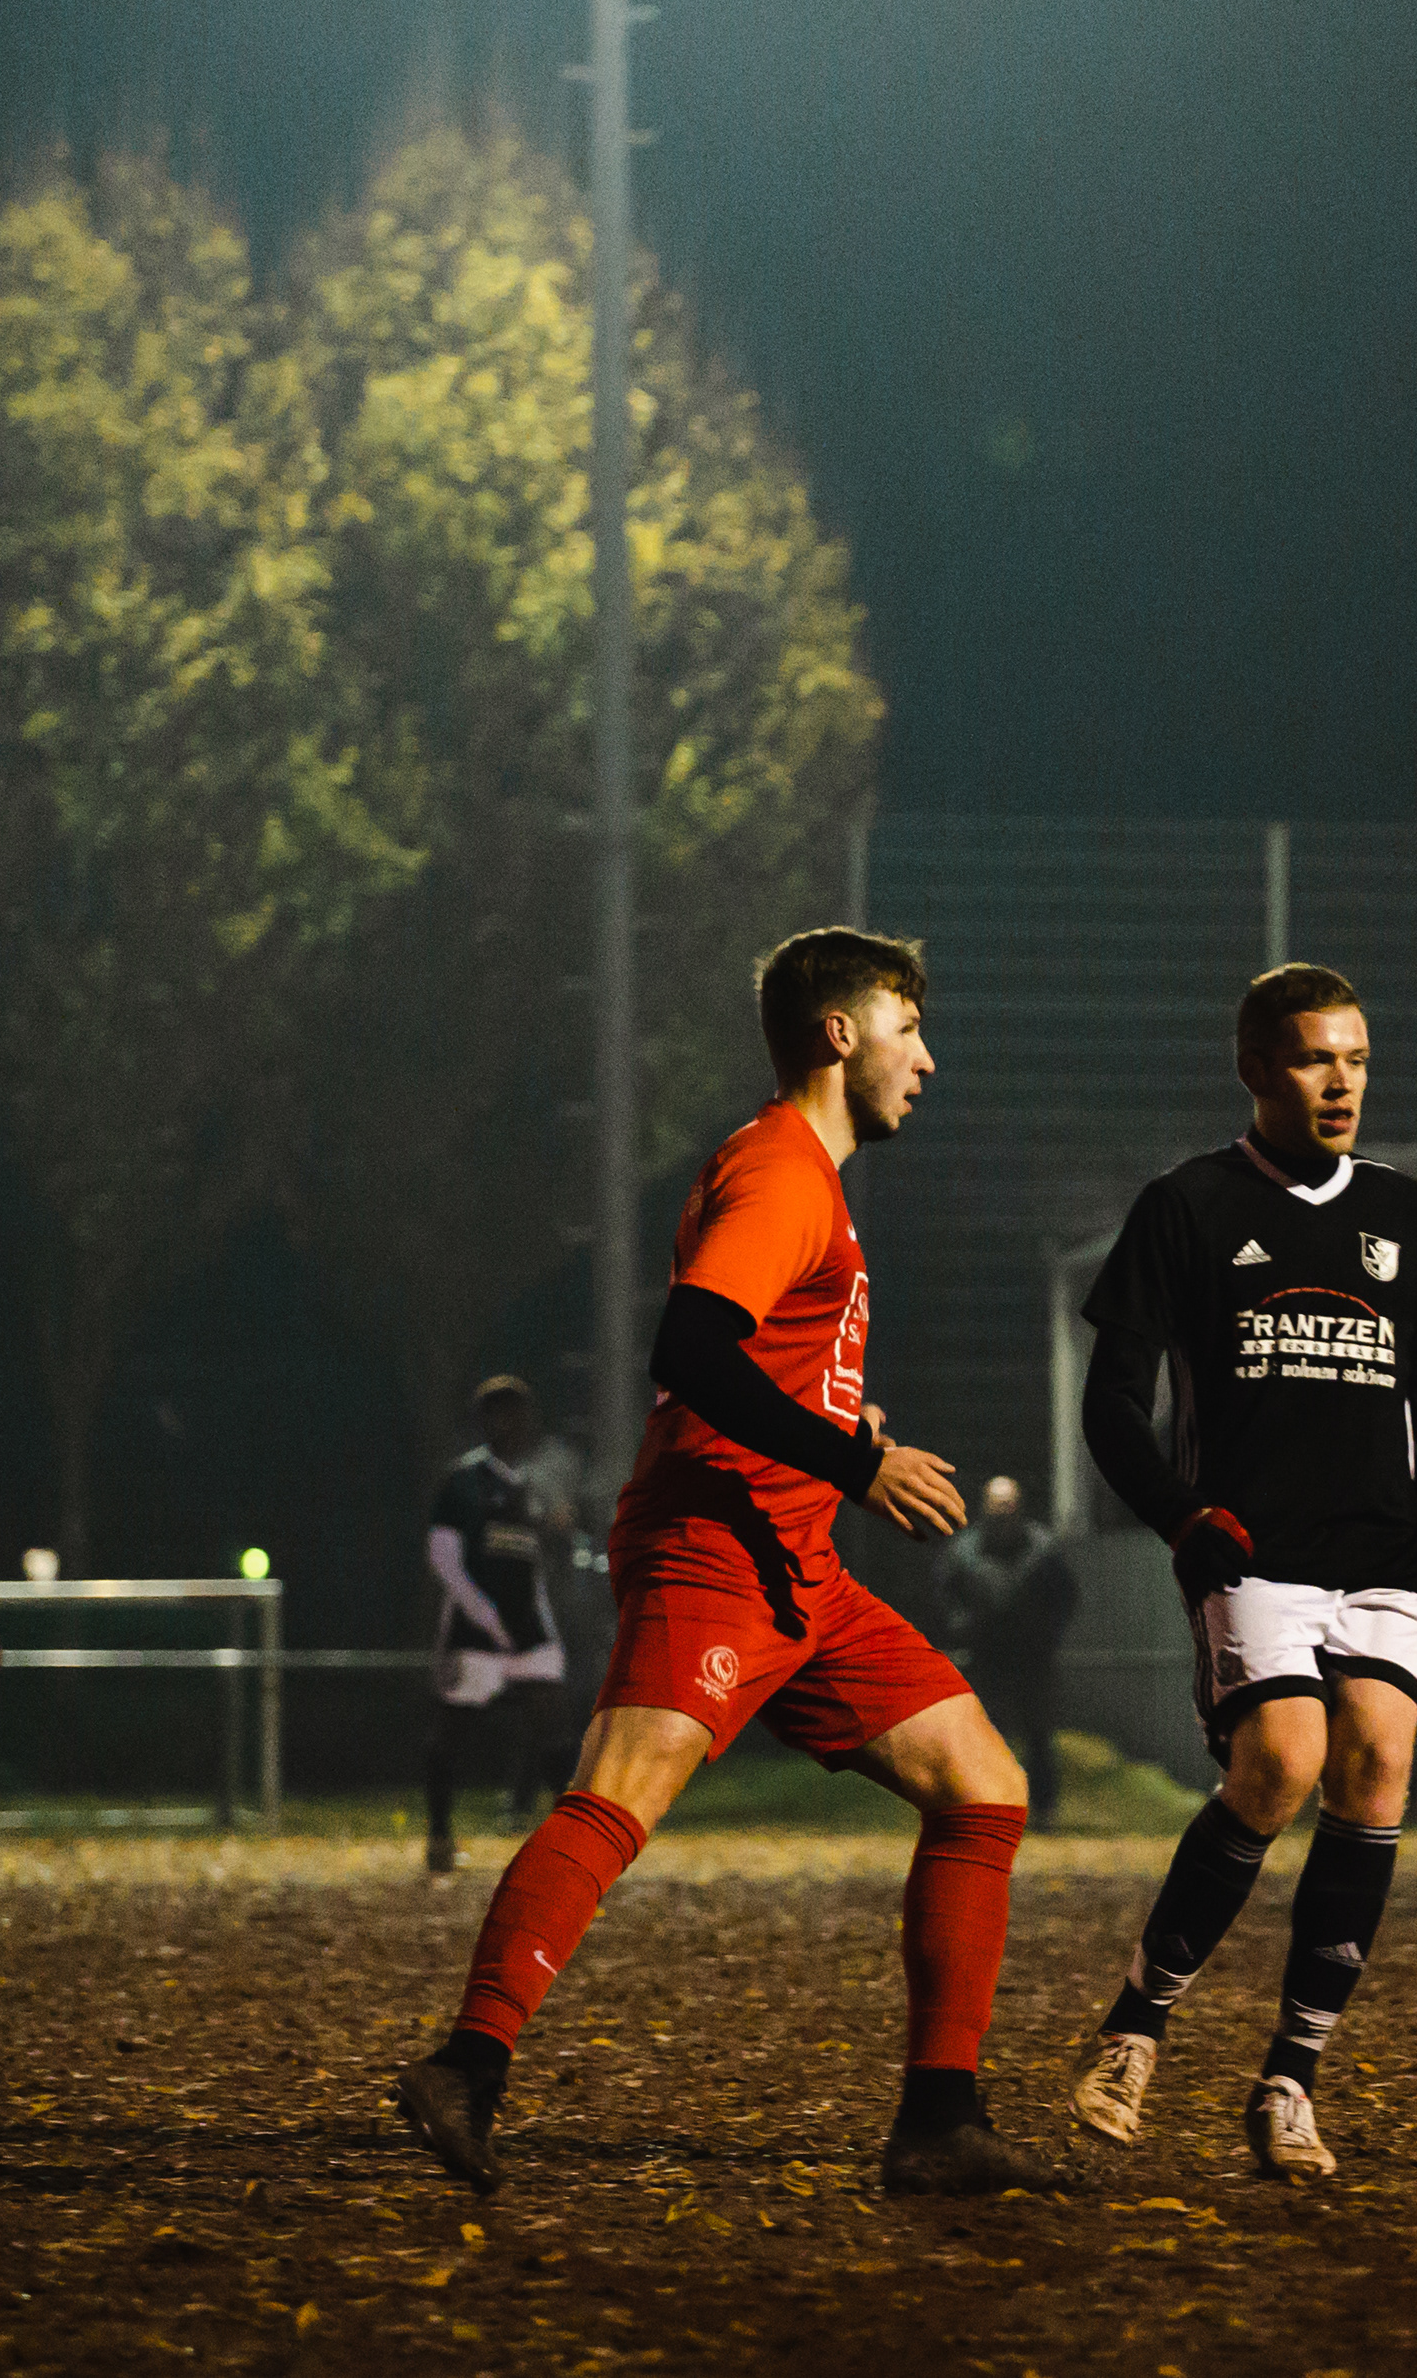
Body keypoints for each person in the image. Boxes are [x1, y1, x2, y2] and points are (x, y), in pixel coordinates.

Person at [390, 928, 1058, 2201]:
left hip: (800, 1565)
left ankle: (939, 2120)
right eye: (909, 1025)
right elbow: (692, 1349)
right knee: (616, 1794)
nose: (928, 1056)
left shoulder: (803, 1177)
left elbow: (758, 1360)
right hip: (716, 1551)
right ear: (839, 1033)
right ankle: (466, 2065)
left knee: (983, 1785)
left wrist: (843, 1427)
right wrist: (854, 1460)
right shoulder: (784, 1171)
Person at [1067, 963, 1417, 2181]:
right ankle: (1136, 2027)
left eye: (1356, 1058)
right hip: (1253, 1546)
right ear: (1256, 1068)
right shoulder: (1188, 1204)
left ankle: (1291, 2078)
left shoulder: (1409, 1213)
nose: (1341, 1081)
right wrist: (1179, 1517)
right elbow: (1112, 1403)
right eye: (1315, 1058)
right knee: (1281, 1759)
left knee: (1377, 1765)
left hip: (1386, 1555)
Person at [420, 1376, 577, 1875]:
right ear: (486, 1421)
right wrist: (483, 1615)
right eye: (506, 1413)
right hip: (476, 1630)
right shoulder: (463, 1481)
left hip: (528, 1627)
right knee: (452, 1729)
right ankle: (439, 1835)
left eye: (523, 1414)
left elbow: (534, 1562)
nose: (518, 1424)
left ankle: (572, 1840)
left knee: (553, 1721)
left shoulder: (533, 1485)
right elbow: (443, 1558)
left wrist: (544, 1623)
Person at [946, 1478, 1079, 1832]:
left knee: (1038, 1733)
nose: (1003, 1512)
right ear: (984, 1506)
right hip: (986, 1655)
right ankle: (989, 1806)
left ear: (1019, 1506)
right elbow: (946, 1593)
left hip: (1032, 1655)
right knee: (987, 1732)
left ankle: (1044, 1810)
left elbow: (1065, 1595)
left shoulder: (1043, 1548)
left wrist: (1049, 1631)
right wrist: (962, 1626)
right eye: (996, 1504)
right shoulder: (965, 1551)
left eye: (1009, 1504)